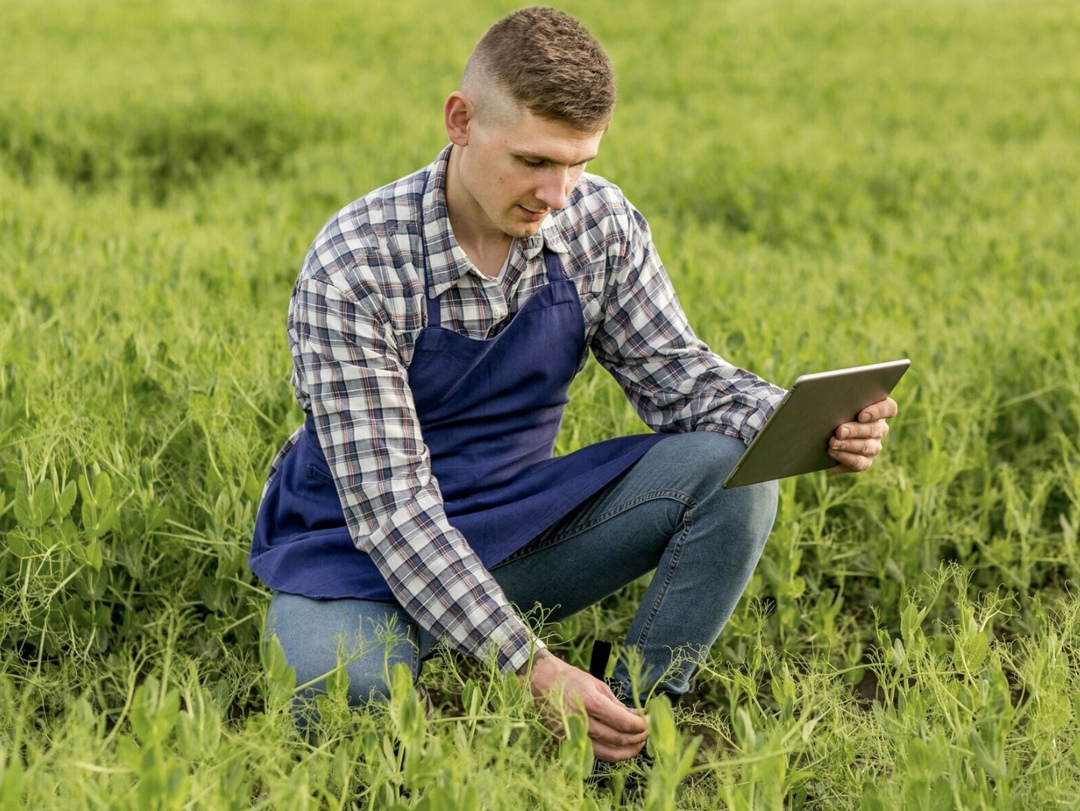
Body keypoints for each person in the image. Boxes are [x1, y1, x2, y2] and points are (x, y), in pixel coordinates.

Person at [250, 6, 896, 763]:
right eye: (533, 161)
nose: (558, 193)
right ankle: (430, 663)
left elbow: (678, 380)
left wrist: (806, 420)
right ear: (460, 121)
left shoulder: (598, 224)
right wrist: (533, 667)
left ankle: (631, 730)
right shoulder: (357, 263)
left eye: (578, 163)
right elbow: (393, 513)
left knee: (732, 470)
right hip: (353, 550)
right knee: (343, 692)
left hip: (520, 521)